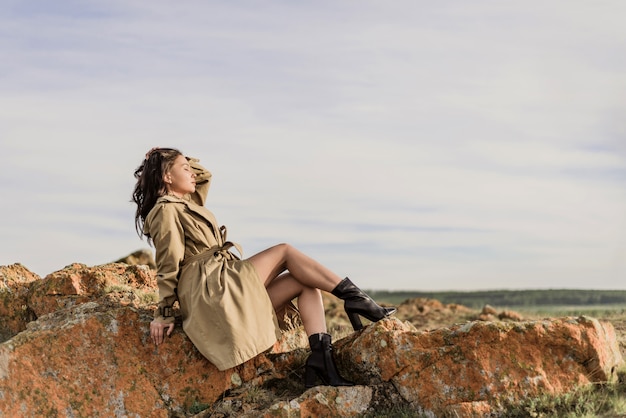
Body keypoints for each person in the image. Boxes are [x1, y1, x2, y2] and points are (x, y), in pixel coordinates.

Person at [132, 147, 395, 387]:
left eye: (189, 167)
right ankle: (358, 301)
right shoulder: (165, 210)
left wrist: (174, 158)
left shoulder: (187, 203)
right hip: (211, 289)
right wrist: (164, 312)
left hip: (225, 280)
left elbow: (204, 175)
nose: (191, 173)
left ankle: (322, 363)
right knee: (285, 251)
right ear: (167, 176)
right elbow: (168, 264)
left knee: (305, 283)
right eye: (184, 168)